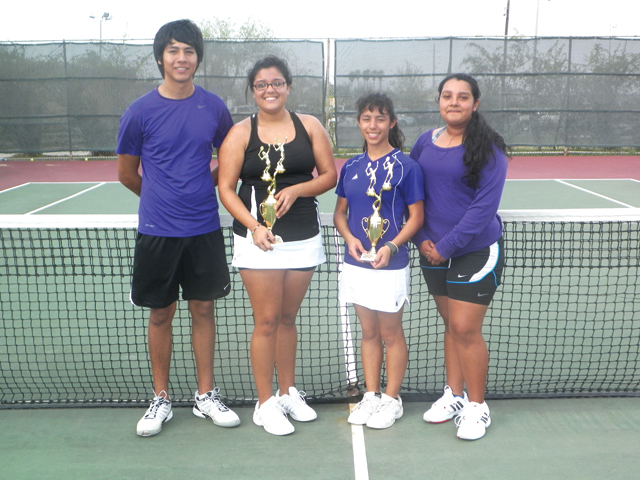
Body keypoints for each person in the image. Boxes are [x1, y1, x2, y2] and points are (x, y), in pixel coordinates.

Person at [116, 19, 240, 437]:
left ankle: (205, 396)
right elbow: (127, 174)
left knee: (204, 309)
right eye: (173, 50)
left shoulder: (214, 107)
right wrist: (160, 199)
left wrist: (202, 188)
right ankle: (162, 398)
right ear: (160, 58)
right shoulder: (139, 112)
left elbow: (230, 156)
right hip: (157, 231)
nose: (181, 58)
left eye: (188, 51)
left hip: (203, 227)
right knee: (160, 315)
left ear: (197, 59)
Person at [217, 56, 337, 436]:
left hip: (304, 236)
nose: (270, 90)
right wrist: (253, 226)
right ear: (253, 91)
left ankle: (287, 392)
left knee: (287, 319)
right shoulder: (239, 133)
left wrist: (298, 189)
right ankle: (265, 402)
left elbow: (330, 175)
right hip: (258, 240)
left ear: (288, 86)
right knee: (266, 321)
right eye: (261, 85)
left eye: (277, 83)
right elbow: (225, 188)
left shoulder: (310, 126)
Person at [411, 73, 508, 440]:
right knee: (451, 325)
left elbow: (483, 209)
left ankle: (476, 406)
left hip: (475, 251)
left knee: (466, 329)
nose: (454, 102)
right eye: (448, 96)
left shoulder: (489, 148)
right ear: (439, 101)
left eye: (463, 97)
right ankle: (453, 394)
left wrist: (445, 247)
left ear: (475, 104)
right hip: (430, 251)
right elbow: (412, 193)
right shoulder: (425, 142)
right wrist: (421, 239)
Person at [333, 93, 424, 429]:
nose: (373, 125)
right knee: (368, 331)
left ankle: (391, 399)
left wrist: (393, 247)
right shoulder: (351, 167)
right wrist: (350, 238)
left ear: (392, 123)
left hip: (390, 265)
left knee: (390, 333)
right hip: (356, 263)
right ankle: (371, 395)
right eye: (367, 119)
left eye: (380, 119)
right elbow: (340, 214)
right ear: (359, 123)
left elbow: (416, 217)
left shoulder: (407, 167)